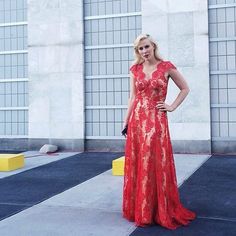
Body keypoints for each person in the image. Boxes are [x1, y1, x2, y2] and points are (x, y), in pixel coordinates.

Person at [122, 33, 196, 229]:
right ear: (137, 51)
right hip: (137, 121)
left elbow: (185, 88)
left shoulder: (166, 67)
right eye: (140, 49)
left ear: (153, 46)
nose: (144, 51)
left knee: (154, 162)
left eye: (146, 47)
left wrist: (171, 106)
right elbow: (133, 97)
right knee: (141, 163)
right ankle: (143, 209)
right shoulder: (135, 69)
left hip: (156, 122)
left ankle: (158, 209)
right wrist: (126, 121)